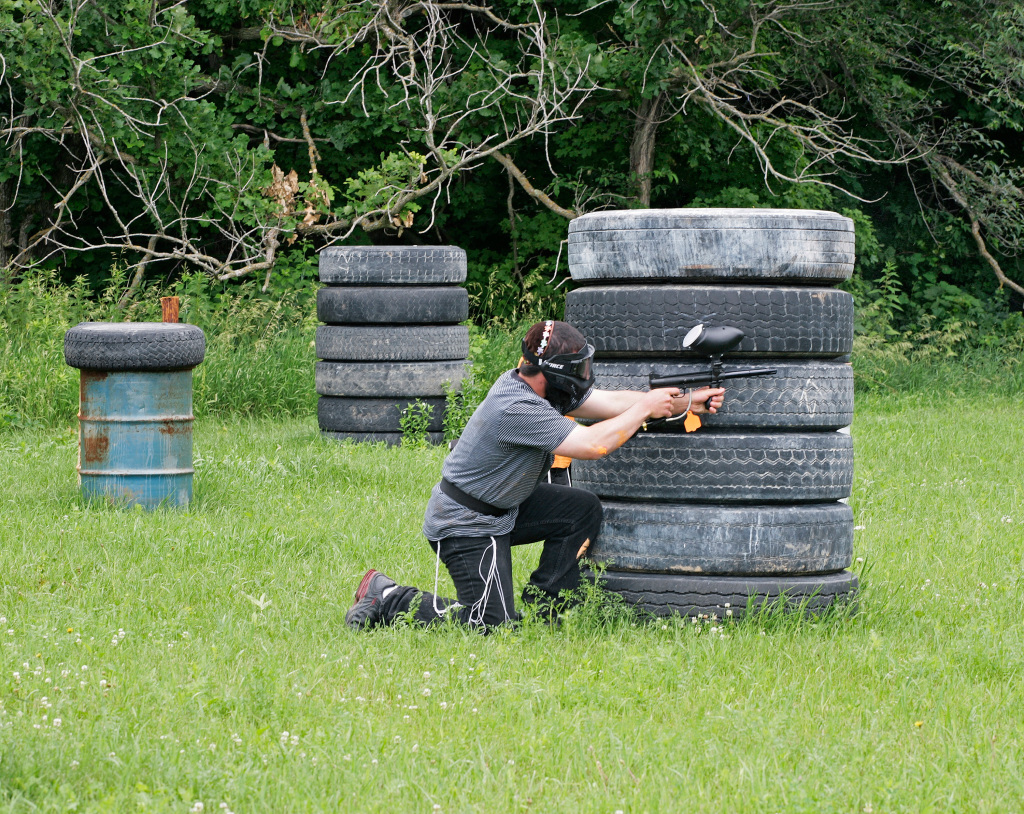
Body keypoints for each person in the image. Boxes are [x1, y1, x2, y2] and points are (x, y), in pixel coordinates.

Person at [345, 319, 724, 630]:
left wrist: (686, 401)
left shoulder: (539, 387)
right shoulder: (517, 406)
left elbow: (609, 402)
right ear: (553, 372)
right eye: (578, 369)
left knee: (580, 509)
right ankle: (389, 596)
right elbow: (593, 445)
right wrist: (645, 408)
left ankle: (546, 607)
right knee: (489, 625)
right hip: (466, 524)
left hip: (504, 506)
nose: (584, 377)